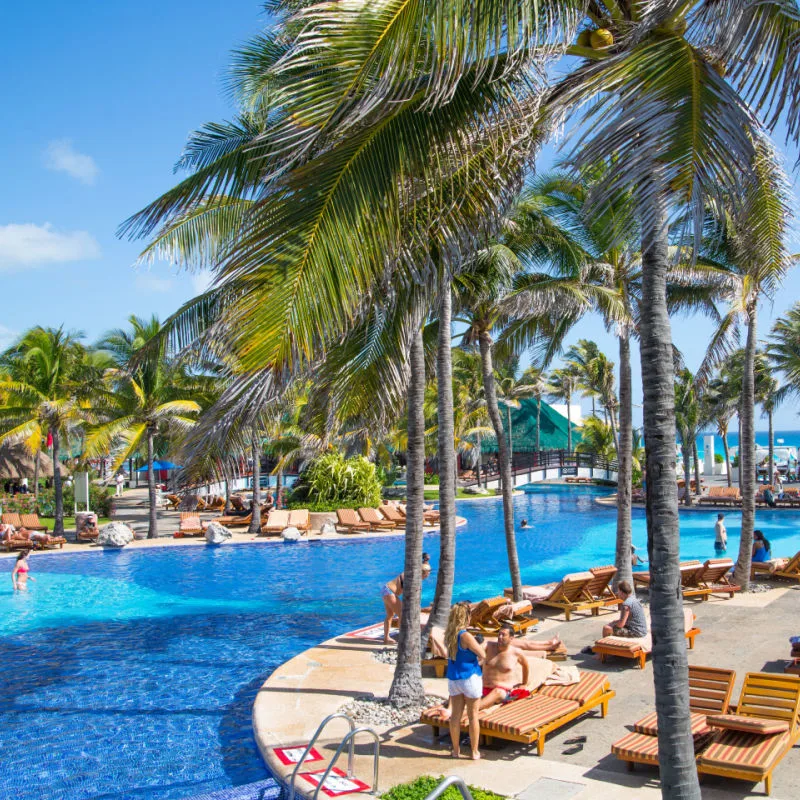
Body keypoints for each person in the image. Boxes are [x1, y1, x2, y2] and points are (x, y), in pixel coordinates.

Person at [444, 602, 485, 760]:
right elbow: (482, 654)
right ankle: (474, 752)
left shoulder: (449, 635)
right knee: (473, 715)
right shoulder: (465, 635)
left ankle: (455, 750)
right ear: (465, 618)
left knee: (455, 715)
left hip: (454, 678)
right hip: (469, 677)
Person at [381, 560, 432, 643]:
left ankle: (386, 638)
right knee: (402, 615)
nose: (427, 577)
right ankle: (403, 639)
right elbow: (408, 593)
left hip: (386, 589)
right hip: (390, 592)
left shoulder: (412, 573)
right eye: (427, 574)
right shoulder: (411, 577)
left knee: (390, 615)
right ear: (423, 572)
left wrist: (426, 561)